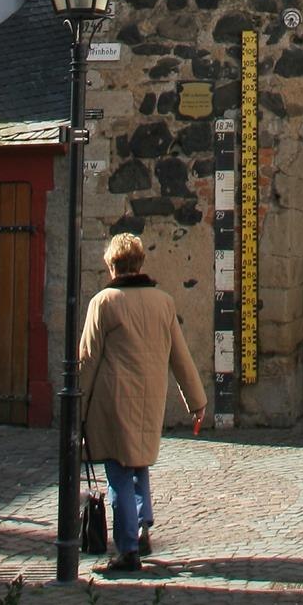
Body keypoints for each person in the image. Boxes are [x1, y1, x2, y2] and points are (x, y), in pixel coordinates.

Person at [78, 231, 207, 576]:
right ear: (139, 262)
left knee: (119, 471)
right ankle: (142, 526)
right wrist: (196, 400)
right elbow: (180, 355)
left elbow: (88, 359)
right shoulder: (163, 302)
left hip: (114, 399)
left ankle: (127, 550)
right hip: (150, 398)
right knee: (137, 463)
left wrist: (77, 407)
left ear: (112, 265)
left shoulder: (104, 303)